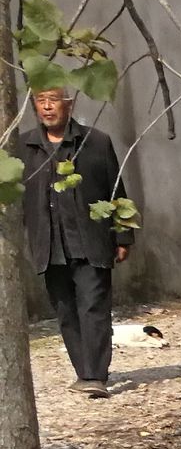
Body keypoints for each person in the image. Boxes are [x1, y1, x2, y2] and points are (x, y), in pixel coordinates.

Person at [14, 87, 132, 396]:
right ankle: (84, 372)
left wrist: (123, 236)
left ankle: (95, 375)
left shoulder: (95, 142)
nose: (47, 107)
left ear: (70, 104)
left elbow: (116, 192)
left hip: (91, 241)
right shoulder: (23, 147)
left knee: (93, 306)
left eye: (54, 100)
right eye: (41, 101)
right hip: (50, 245)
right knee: (65, 310)